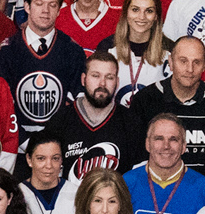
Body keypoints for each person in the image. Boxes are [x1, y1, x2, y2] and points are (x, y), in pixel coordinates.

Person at [128, 34, 205, 175]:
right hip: (155, 189)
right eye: (183, 61)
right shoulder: (145, 100)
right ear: (170, 61)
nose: (190, 69)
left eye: (196, 62)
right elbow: (136, 157)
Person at [38, 47, 145, 177]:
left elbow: (139, 178)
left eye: (109, 77)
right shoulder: (60, 121)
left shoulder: (131, 123)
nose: (102, 83)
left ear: (117, 83)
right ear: (83, 79)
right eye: (95, 76)